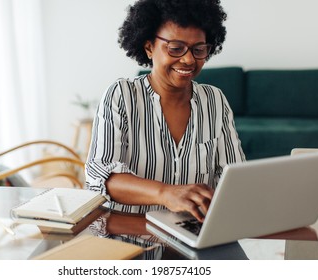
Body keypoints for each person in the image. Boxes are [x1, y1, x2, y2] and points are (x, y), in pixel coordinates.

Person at [85, 0, 245, 221]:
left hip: (193, 235)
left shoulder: (214, 100)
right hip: (132, 233)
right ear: (149, 46)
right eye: (176, 48)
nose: (188, 59)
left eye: (198, 50)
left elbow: (234, 178)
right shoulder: (122, 95)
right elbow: (101, 177)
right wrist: (166, 193)